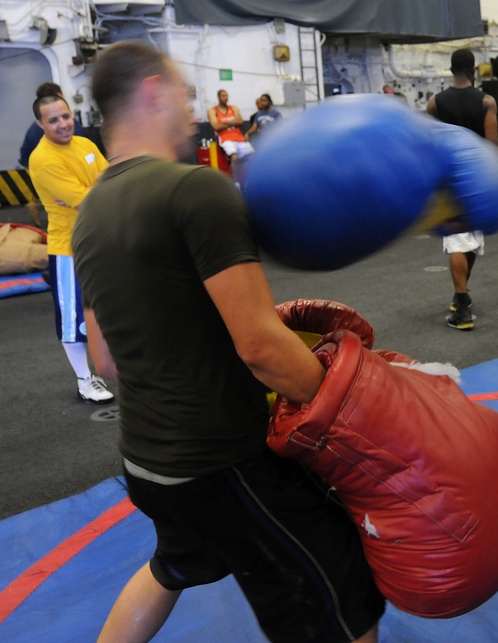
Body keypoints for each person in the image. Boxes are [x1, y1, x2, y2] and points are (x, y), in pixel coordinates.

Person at [73, 41, 384, 642]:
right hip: (222, 465)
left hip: (146, 463)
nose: (193, 111)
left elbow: (105, 359)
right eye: (185, 95)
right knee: (339, 598)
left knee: (175, 563)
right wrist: (356, 406)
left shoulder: (90, 211)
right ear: (153, 93)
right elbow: (262, 347)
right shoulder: (195, 190)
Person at [27, 94, 113, 404]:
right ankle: (84, 380)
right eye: (53, 120)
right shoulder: (43, 159)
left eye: (65, 116)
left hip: (102, 239)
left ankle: (114, 368)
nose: (63, 124)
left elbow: (110, 180)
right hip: (69, 248)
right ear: (40, 123)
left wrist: (95, 190)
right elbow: (89, 200)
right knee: (72, 319)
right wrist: (97, 190)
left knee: (110, 309)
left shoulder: (86, 145)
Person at [426, 48, 498, 331]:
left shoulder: (435, 102)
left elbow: (428, 141)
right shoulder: (486, 101)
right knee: (468, 238)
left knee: (459, 239)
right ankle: (462, 300)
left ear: (451, 69)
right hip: (478, 176)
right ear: (472, 70)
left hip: (449, 177)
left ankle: (462, 300)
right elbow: (492, 144)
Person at [207, 89, 253, 177]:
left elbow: (240, 121)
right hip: (225, 139)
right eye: (223, 96)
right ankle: (236, 182)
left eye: (226, 96)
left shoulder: (233, 108)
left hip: (239, 138)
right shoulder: (212, 111)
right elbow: (216, 126)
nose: (225, 98)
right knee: (234, 157)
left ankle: (252, 180)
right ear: (218, 97)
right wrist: (232, 122)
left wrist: (224, 122)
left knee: (253, 158)